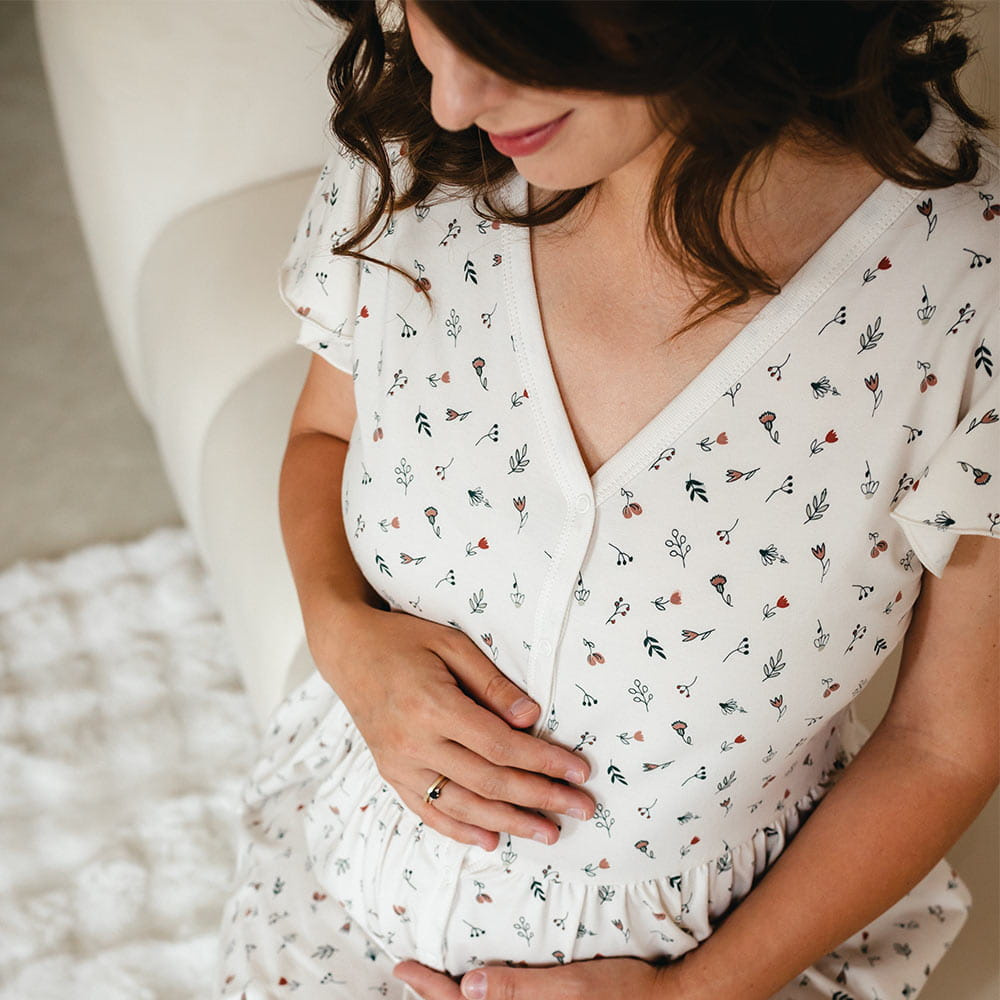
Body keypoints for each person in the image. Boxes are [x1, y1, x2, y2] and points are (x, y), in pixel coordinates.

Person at [215, 2, 999, 998]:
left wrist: (685, 995)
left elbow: (942, 742)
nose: (455, 97)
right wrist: (341, 636)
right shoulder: (416, 145)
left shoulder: (971, 283)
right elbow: (323, 436)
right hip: (331, 902)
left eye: (500, 28)